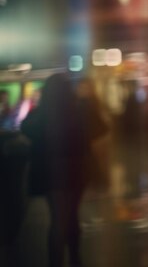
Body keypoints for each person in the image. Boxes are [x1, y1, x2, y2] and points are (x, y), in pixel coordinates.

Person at [20, 73, 99, 267]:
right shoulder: (79, 112)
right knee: (72, 214)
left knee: (57, 219)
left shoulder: (40, 115)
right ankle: (75, 257)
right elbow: (101, 128)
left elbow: (25, 128)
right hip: (77, 171)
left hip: (51, 172)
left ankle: (55, 261)